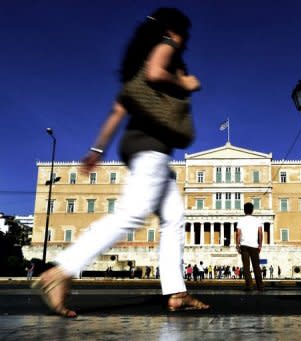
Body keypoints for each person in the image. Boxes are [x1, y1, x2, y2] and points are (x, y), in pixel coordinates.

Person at [32, 7, 209, 317]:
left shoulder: (135, 69)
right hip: (151, 145)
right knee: (132, 214)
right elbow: (157, 72)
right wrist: (185, 84)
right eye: (184, 34)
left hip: (143, 146)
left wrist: (97, 150)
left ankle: (176, 291)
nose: (184, 40)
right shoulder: (166, 47)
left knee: (174, 216)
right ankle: (60, 272)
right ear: (174, 31)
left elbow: (117, 111)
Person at [236, 202, 264, 291]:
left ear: (244, 210)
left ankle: (249, 286)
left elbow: (238, 233)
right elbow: (260, 233)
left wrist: (237, 245)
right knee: (256, 266)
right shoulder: (257, 220)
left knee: (246, 267)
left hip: (244, 245)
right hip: (254, 246)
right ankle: (260, 286)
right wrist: (260, 245)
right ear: (252, 210)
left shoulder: (241, 220)